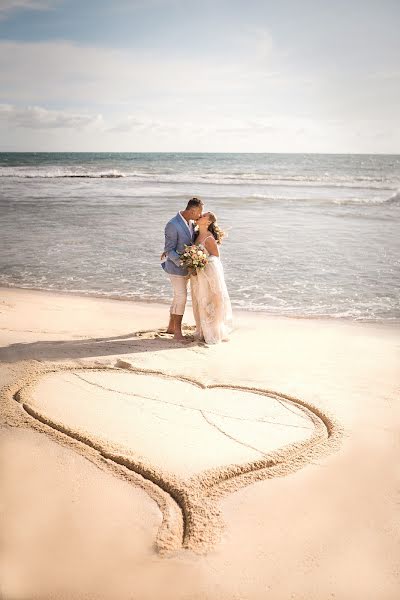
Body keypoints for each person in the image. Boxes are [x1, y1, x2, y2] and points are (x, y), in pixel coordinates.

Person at [161, 197, 204, 340]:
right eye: (199, 212)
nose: (200, 215)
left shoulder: (191, 222)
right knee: (182, 297)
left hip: (187, 268)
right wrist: (184, 262)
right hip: (175, 267)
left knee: (178, 297)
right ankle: (178, 332)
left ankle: (170, 327)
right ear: (192, 210)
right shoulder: (172, 224)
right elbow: (169, 250)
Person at [190, 212, 233, 344]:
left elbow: (215, 257)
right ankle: (202, 330)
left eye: (203, 216)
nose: (200, 216)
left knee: (211, 300)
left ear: (208, 222)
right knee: (200, 299)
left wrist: (201, 261)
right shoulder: (196, 234)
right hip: (199, 273)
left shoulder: (208, 238)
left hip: (209, 273)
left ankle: (212, 331)